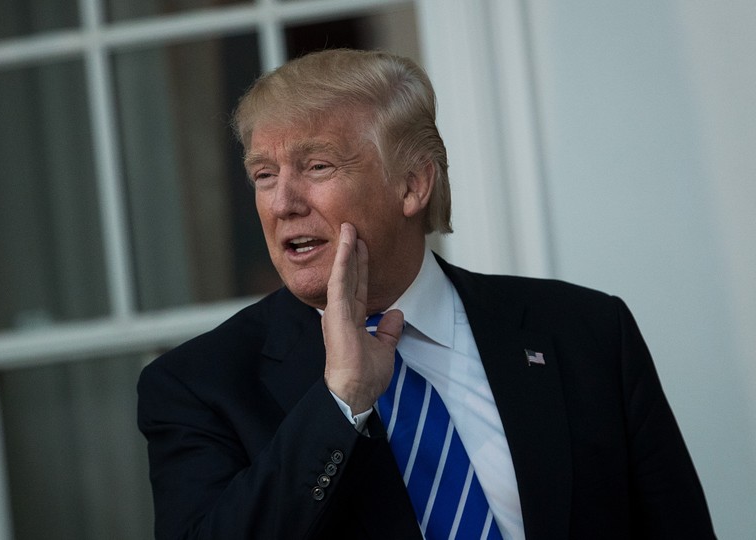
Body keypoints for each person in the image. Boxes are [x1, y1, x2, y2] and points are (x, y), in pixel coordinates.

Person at [137, 48, 714, 539]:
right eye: (264, 175)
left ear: (412, 185)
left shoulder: (585, 332)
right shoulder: (198, 386)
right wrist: (340, 402)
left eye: (316, 166)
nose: (282, 202)